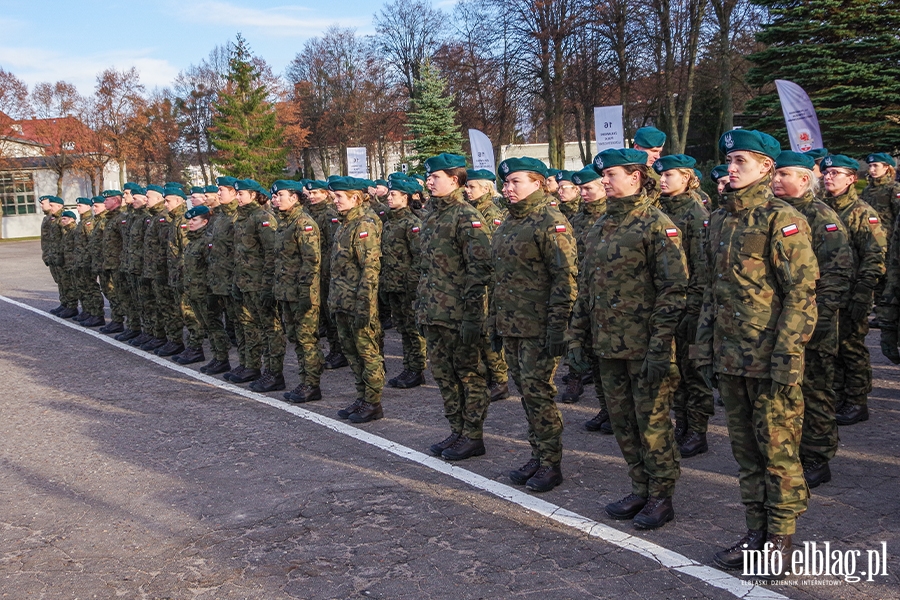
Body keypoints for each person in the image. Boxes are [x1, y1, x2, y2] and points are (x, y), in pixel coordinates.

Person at [696, 130, 818, 573]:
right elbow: (713, 291)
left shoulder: (780, 219)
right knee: (746, 453)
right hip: (731, 357)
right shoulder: (722, 219)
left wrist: (788, 356)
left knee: (778, 451)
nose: (731, 168)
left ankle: (781, 539)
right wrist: (704, 349)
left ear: (766, 167)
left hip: (769, 357)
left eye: (741, 161)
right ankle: (755, 531)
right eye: (729, 161)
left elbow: (801, 293)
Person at [570, 148, 687, 527]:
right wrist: (578, 337)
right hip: (608, 344)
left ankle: (661, 495)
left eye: (611, 174)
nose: (604, 181)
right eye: (603, 176)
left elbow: (673, 291)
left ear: (636, 177)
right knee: (622, 422)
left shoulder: (656, 225)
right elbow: (587, 286)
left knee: (651, 423)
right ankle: (640, 486)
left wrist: (660, 347)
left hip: (644, 345)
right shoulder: (602, 224)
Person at [494, 157, 577, 491]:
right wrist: (494, 324)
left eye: (516, 182)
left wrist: (558, 327)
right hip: (513, 324)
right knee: (526, 393)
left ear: (539, 183)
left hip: (539, 326)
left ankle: (551, 462)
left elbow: (565, 279)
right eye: (506, 182)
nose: (507, 188)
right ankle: (539, 453)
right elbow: (498, 277)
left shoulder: (550, 221)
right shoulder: (509, 222)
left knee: (539, 392)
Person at [772, 151, 853, 489]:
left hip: (814, 324)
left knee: (817, 391)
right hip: (782, 324)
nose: (776, 180)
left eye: (784, 175)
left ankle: (817, 458)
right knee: (790, 397)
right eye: (774, 174)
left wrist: (817, 322)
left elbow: (837, 275)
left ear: (804, 179)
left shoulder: (821, 217)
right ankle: (792, 457)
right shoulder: (772, 215)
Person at [417, 154, 493, 460]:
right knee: (444, 375)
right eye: (429, 177)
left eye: (436, 177)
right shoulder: (432, 216)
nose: (429, 181)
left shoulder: (465, 217)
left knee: (469, 374)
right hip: (434, 311)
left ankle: (473, 435)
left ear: (455, 180)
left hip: (458, 314)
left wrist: (474, 317)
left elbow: (480, 271)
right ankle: (457, 429)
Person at [653, 155, 713, 458]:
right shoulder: (659, 210)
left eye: (670, 175)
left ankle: (698, 429)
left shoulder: (696, 214)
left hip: (692, 307)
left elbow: (702, 268)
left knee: (695, 369)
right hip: (669, 306)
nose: (663, 180)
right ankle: (683, 423)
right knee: (674, 370)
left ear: (688, 178)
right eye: (661, 175)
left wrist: (695, 309)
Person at [821, 154, 887, 425]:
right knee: (831, 349)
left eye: (836, 173)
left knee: (851, 349)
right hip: (827, 293)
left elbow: (874, 255)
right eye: (826, 172)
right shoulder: (822, 209)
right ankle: (839, 397)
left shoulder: (861, 212)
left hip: (852, 293)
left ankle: (857, 401)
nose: (828, 176)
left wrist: (864, 292)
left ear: (851, 179)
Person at [328, 177, 385, 423]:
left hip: (358, 302)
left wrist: (365, 306)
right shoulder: (344, 224)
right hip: (342, 301)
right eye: (334, 196)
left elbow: (370, 270)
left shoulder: (365, 224)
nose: (335, 201)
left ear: (355, 198)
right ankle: (362, 397)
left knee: (367, 352)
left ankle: (373, 402)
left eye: (339, 197)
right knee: (351, 353)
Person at [269, 180, 324, 403]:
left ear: (294, 198)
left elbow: (311, 261)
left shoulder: (303, 223)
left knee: (306, 339)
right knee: (295, 337)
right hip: (286, 291)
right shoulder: (284, 223)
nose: (275, 199)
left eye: (280, 195)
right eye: (274, 196)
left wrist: (305, 293)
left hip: (302, 293)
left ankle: (311, 384)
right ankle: (305, 381)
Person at [566, 168, 611, 433]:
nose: (583, 194)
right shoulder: (578, 218)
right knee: (590, 353)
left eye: (588, 189)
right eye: (580, 190)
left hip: (606, 298)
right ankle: (605, 408)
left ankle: (613, 412)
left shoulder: (610, 218)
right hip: (583, 292)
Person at [230, 179, 283, 389]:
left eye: (241, 193)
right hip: (246, 282)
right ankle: (254, 366)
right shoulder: (243, 218)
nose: (237, 197)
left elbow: (272, 252)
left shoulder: (262, 217)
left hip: (260, 283)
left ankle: (274, 373)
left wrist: (268, 285)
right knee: (253, 326)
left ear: (253, 195)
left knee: (271, 329)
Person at [464, 168, 510, 401]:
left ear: (486, 188)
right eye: (467, 186)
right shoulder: (470, 211)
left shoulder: (491, 213)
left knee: (487, 332)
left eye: (472, 186)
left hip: (489, 283)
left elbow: (493, 252)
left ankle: (500, 379)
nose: (467, 190)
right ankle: (489, 375)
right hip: (475, 281)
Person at [381, 177, 426, 389]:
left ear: (406, 198)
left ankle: (416, 369)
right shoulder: (390, 223)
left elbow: (419, 257)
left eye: (393, 195)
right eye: (389, 194)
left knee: (412, 329)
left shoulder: (412, 223)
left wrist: (412, 285)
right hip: (393, 285)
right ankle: (408, 366)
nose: (389, 198)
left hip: (408, 287)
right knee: (403, 329)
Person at [304, 179, 348, 370]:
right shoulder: (308, 213)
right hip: (316, 273)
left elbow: (332, 246)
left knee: (332, 315)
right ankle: (333, 349)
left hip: (326, 272)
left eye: (317, 193)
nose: (312, 197)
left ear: (325, 194)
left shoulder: (330, 214)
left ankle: (339, 351)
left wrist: (328, 271)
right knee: (322, 314)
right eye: (310, 194)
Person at [182, 205, 229, 370]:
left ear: (205, 222)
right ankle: (216, 357)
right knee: (207, 326)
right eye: (189, 220)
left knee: (214, 325)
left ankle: (222, 359)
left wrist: (212, 293)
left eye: (195, 220)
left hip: (206, 292)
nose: (190, 223)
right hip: (194, 291)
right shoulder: (192, 241)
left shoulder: (207, 242)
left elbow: (213, 268)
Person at [204, 176, 240, 376]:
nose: (218, 194)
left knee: (241, 326)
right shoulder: (219, 217)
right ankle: (222, 359)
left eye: (222, 190)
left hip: (234, 280)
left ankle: (248, 365)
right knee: (216, 319)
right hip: (218, 279)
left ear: (234, 193)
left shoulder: (236, 216)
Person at [72, 197, 104, 327]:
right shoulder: (82, 222)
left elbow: (91, 243)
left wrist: (89, 260)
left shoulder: (89, 223)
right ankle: (89, 311)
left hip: (87, 262)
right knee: (83, 287)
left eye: (80, 205)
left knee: (91, 288)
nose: (77, 208)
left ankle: (97, 314)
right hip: (81, 261)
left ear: (87, 207)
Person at [40, 195, 75, 317]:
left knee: (66, 281)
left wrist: (64, 256)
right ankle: (64, 303)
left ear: (59, 206)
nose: (50, 207)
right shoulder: (52, 219)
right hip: (54, 256)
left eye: (52, 205)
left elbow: (67, 239)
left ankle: (71, 306)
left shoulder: (62, 219)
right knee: (60, 281)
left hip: (62, 258)